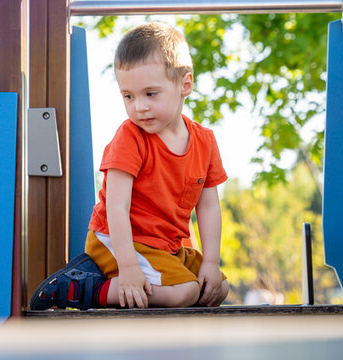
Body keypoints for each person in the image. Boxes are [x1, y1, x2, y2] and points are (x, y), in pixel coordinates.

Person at [29, 22, 229, 310]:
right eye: (128, 96)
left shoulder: (204, 141)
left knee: (218, 287)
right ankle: (85, 287)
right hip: (119, 240)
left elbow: (208, 206)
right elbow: (116, 208)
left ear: (185, 84)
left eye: (151, 94)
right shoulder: (130, 137)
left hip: (166, 247)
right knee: (182, 294)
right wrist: (128, 270)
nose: (139, 107)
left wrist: (210, 261)